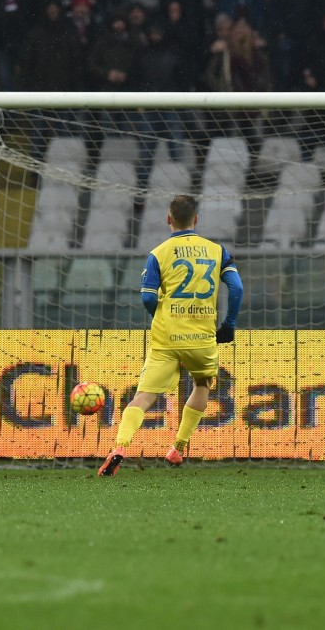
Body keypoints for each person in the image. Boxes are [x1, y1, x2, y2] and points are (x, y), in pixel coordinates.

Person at [98, 195, 243, 475]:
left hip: (166, 338)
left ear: (168, 219)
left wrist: (163, 318)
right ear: (196, 219)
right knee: (202, 384)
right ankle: (177, 447)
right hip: (202, 337)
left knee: (144, 396)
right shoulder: (217, 251)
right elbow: (236, 289)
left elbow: (147, 297)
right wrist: (229, 325)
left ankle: (120, 446)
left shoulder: (159, 253)